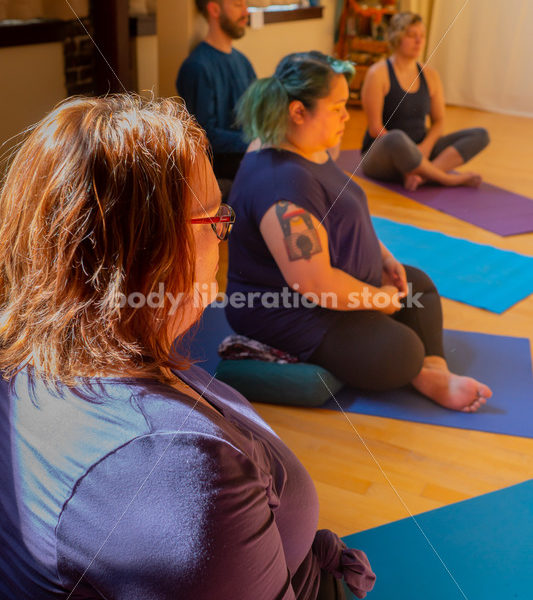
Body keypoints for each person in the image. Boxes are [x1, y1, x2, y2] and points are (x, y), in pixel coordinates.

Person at [0, 94, 376, 600]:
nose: (224, 235)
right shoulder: (179, 475)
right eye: (214, 221)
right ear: (141, 256)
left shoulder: (64, 350)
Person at [226, 51, 492, 412]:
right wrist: (377, 298)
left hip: (337, 285)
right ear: (298, 112)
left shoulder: (310, 147)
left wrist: (382, 256)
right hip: (290, 308)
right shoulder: (281, 185)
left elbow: (346, 214)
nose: (346, 116)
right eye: (336, 108)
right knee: (402, 351)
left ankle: (432, 371)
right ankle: (418, 367)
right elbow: (313, 285)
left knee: (420, 288)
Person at [360, 12, 490, 191]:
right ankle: (446, 179)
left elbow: (439, 121)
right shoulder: (378, 74)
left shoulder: (431, 75)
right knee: (396, 137)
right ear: (396, 37)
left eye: (422, 36)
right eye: (412, 35)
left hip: (421, 150)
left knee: (480, 134)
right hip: (384, 155)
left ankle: (420, 177)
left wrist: (425, 148)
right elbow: (375, 128)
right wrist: (411, 153)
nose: (419, 41)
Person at [176, 0, 256, 181]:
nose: (246, 11)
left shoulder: (243, 62)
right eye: (237, 5)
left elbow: (257, 115)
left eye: (246, 4)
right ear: (214, 9)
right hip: (220, 176)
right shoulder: (197, 67)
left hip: (250, 165)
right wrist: (256, 142)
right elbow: (204, 135)